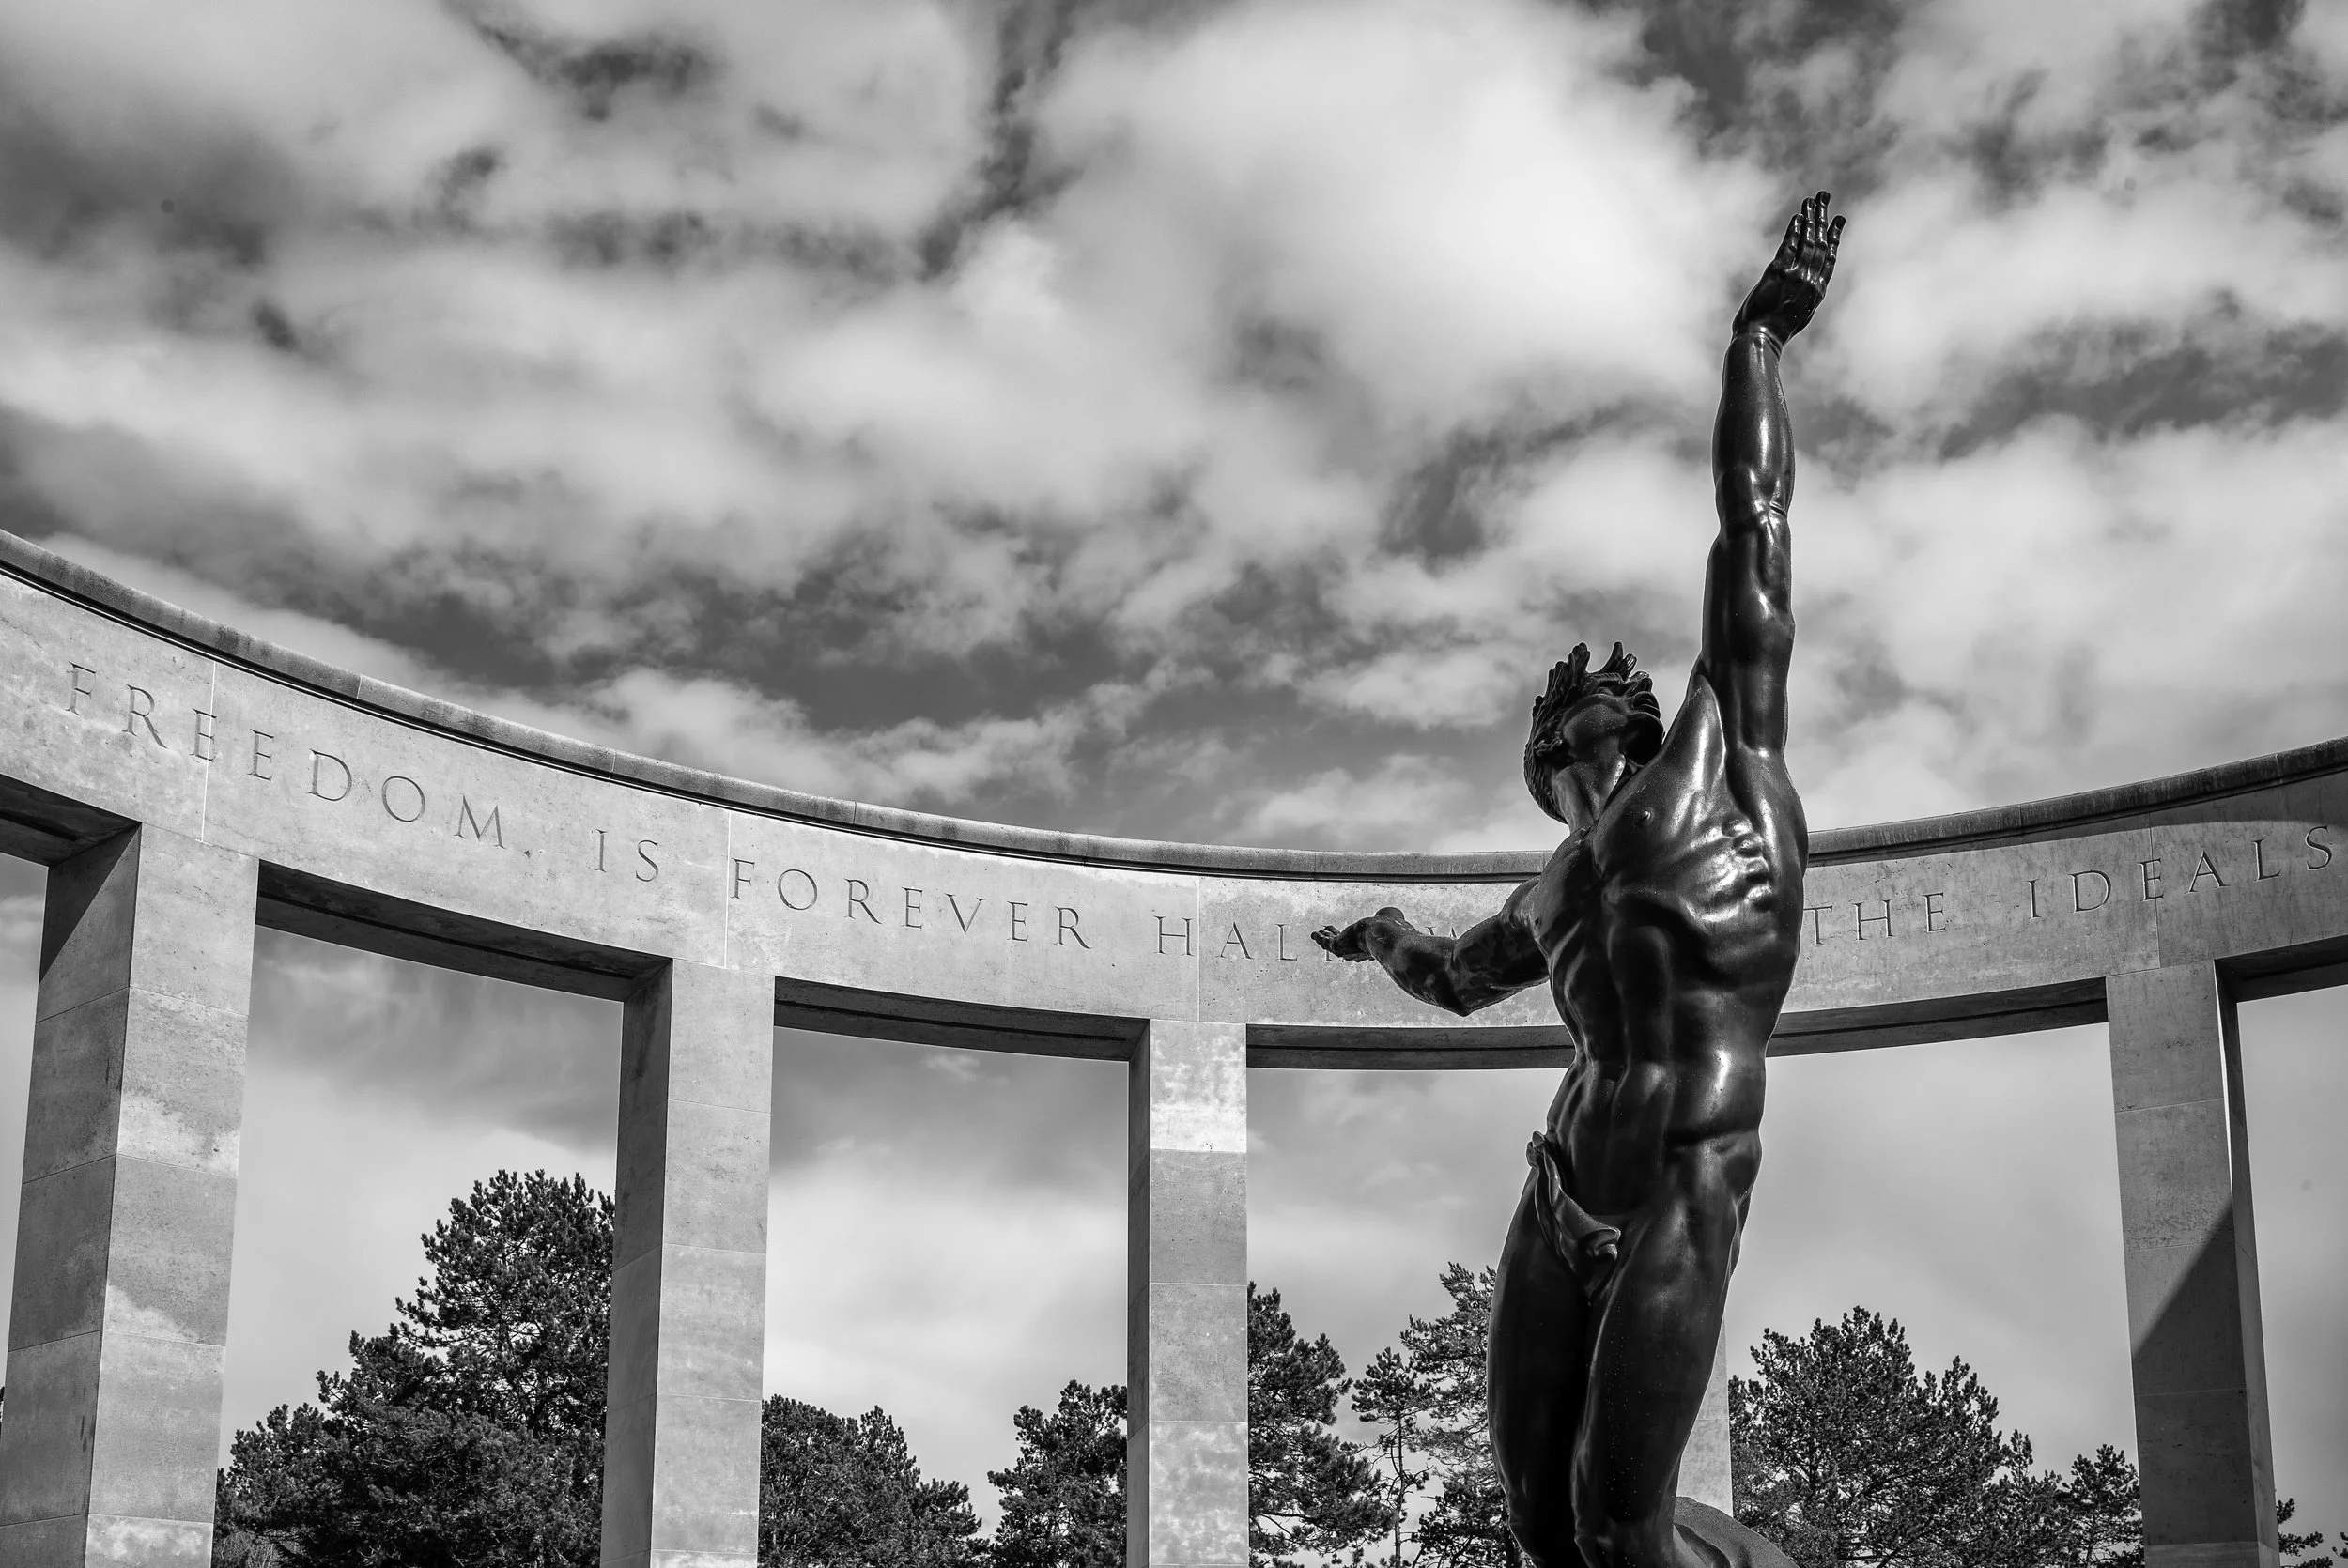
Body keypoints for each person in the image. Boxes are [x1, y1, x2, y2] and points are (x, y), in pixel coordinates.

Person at [1313, 192, 1845, 1568]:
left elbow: (1756, 529)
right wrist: (1381, 933)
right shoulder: (1547, 894)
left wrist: (1756, 344)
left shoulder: (1728, 764)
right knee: (1536, 1532)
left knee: (1621, 1532)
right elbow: (1448, 976)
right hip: (1560, 1192)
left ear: (1636, 717)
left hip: (1684, 1180)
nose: (1577, 703)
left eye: (1597, 694)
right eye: (1558, 710)